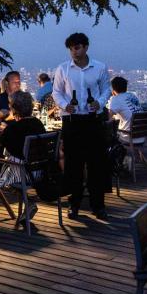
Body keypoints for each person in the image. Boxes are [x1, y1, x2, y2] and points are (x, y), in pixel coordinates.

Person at [52, 32, 111, 220]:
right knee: (73, 166)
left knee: (96, 164)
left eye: (76, 48)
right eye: (71, 49)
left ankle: (98, 205)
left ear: (85, 47)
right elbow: (56, 92)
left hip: (93, 121)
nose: (73, 52)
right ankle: (74, 204)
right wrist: (64, 105)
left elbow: (106, 89)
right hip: (72, 121)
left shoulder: (99, 68)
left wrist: (100, 103)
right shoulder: (63, 69)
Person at [0, 92, 46, 227]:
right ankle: (29, 202)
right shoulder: (38, 123)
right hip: (39, 172)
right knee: (10, 170)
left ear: (14, 109)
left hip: (22, 174)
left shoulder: (14, 128)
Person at [107, 76, 144, 148]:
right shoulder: (132, 96)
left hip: (128, 136)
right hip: (142, 135)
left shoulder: (116, 99)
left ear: (113, 89)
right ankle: (135, 156)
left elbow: (109, 118)